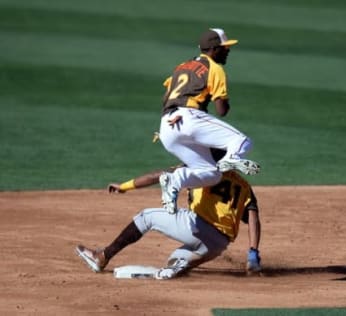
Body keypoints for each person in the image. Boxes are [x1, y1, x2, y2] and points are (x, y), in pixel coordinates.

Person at [75, 166, 262, 279]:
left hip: (196, 227)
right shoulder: (244, 185)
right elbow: (253, 216)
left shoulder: (200, 166)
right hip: (218, 244)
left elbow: (158, 176)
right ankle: (174, 270)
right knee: (174, 260)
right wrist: (253, 253)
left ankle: (103, 257)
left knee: (147, 217)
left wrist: (125, 186)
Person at [158, 28, 260, 214]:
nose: (228, 50)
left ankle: (175, 180)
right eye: (224, 47)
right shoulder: (215, 68)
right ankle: (231, 159)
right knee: (241, 141)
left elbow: (166, 94)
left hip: (167, 126)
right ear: (214, 49)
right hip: (189, 117)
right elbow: (222, 111)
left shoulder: (182, 66)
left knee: (211, 174)